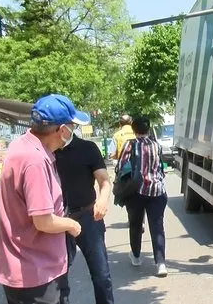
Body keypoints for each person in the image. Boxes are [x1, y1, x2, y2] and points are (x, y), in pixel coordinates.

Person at [0, 94, 88, 304]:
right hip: (35, 273)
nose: (73, 132)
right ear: (61, 129)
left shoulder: (22, 145)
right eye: (73, 127)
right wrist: (71, 225)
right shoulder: (35, 160)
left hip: (26, 269)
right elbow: (43, 221)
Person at [55, 131, 114, 304]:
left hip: (87, 216)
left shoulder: (87, 148)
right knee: (58, 278)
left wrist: (103, 199)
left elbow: (104, 179)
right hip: (56, 221)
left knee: (101, 275)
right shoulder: (46, 151)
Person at [116, 116, 168, 277]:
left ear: (134, 129)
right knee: (157, 227)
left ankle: (136, 256)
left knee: (136, 225)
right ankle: (160, 264)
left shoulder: (130, 145)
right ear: (148, 128)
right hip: (157, 191)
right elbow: (160, 167)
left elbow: (119, 166)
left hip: (136, 192)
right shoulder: (156, 145)